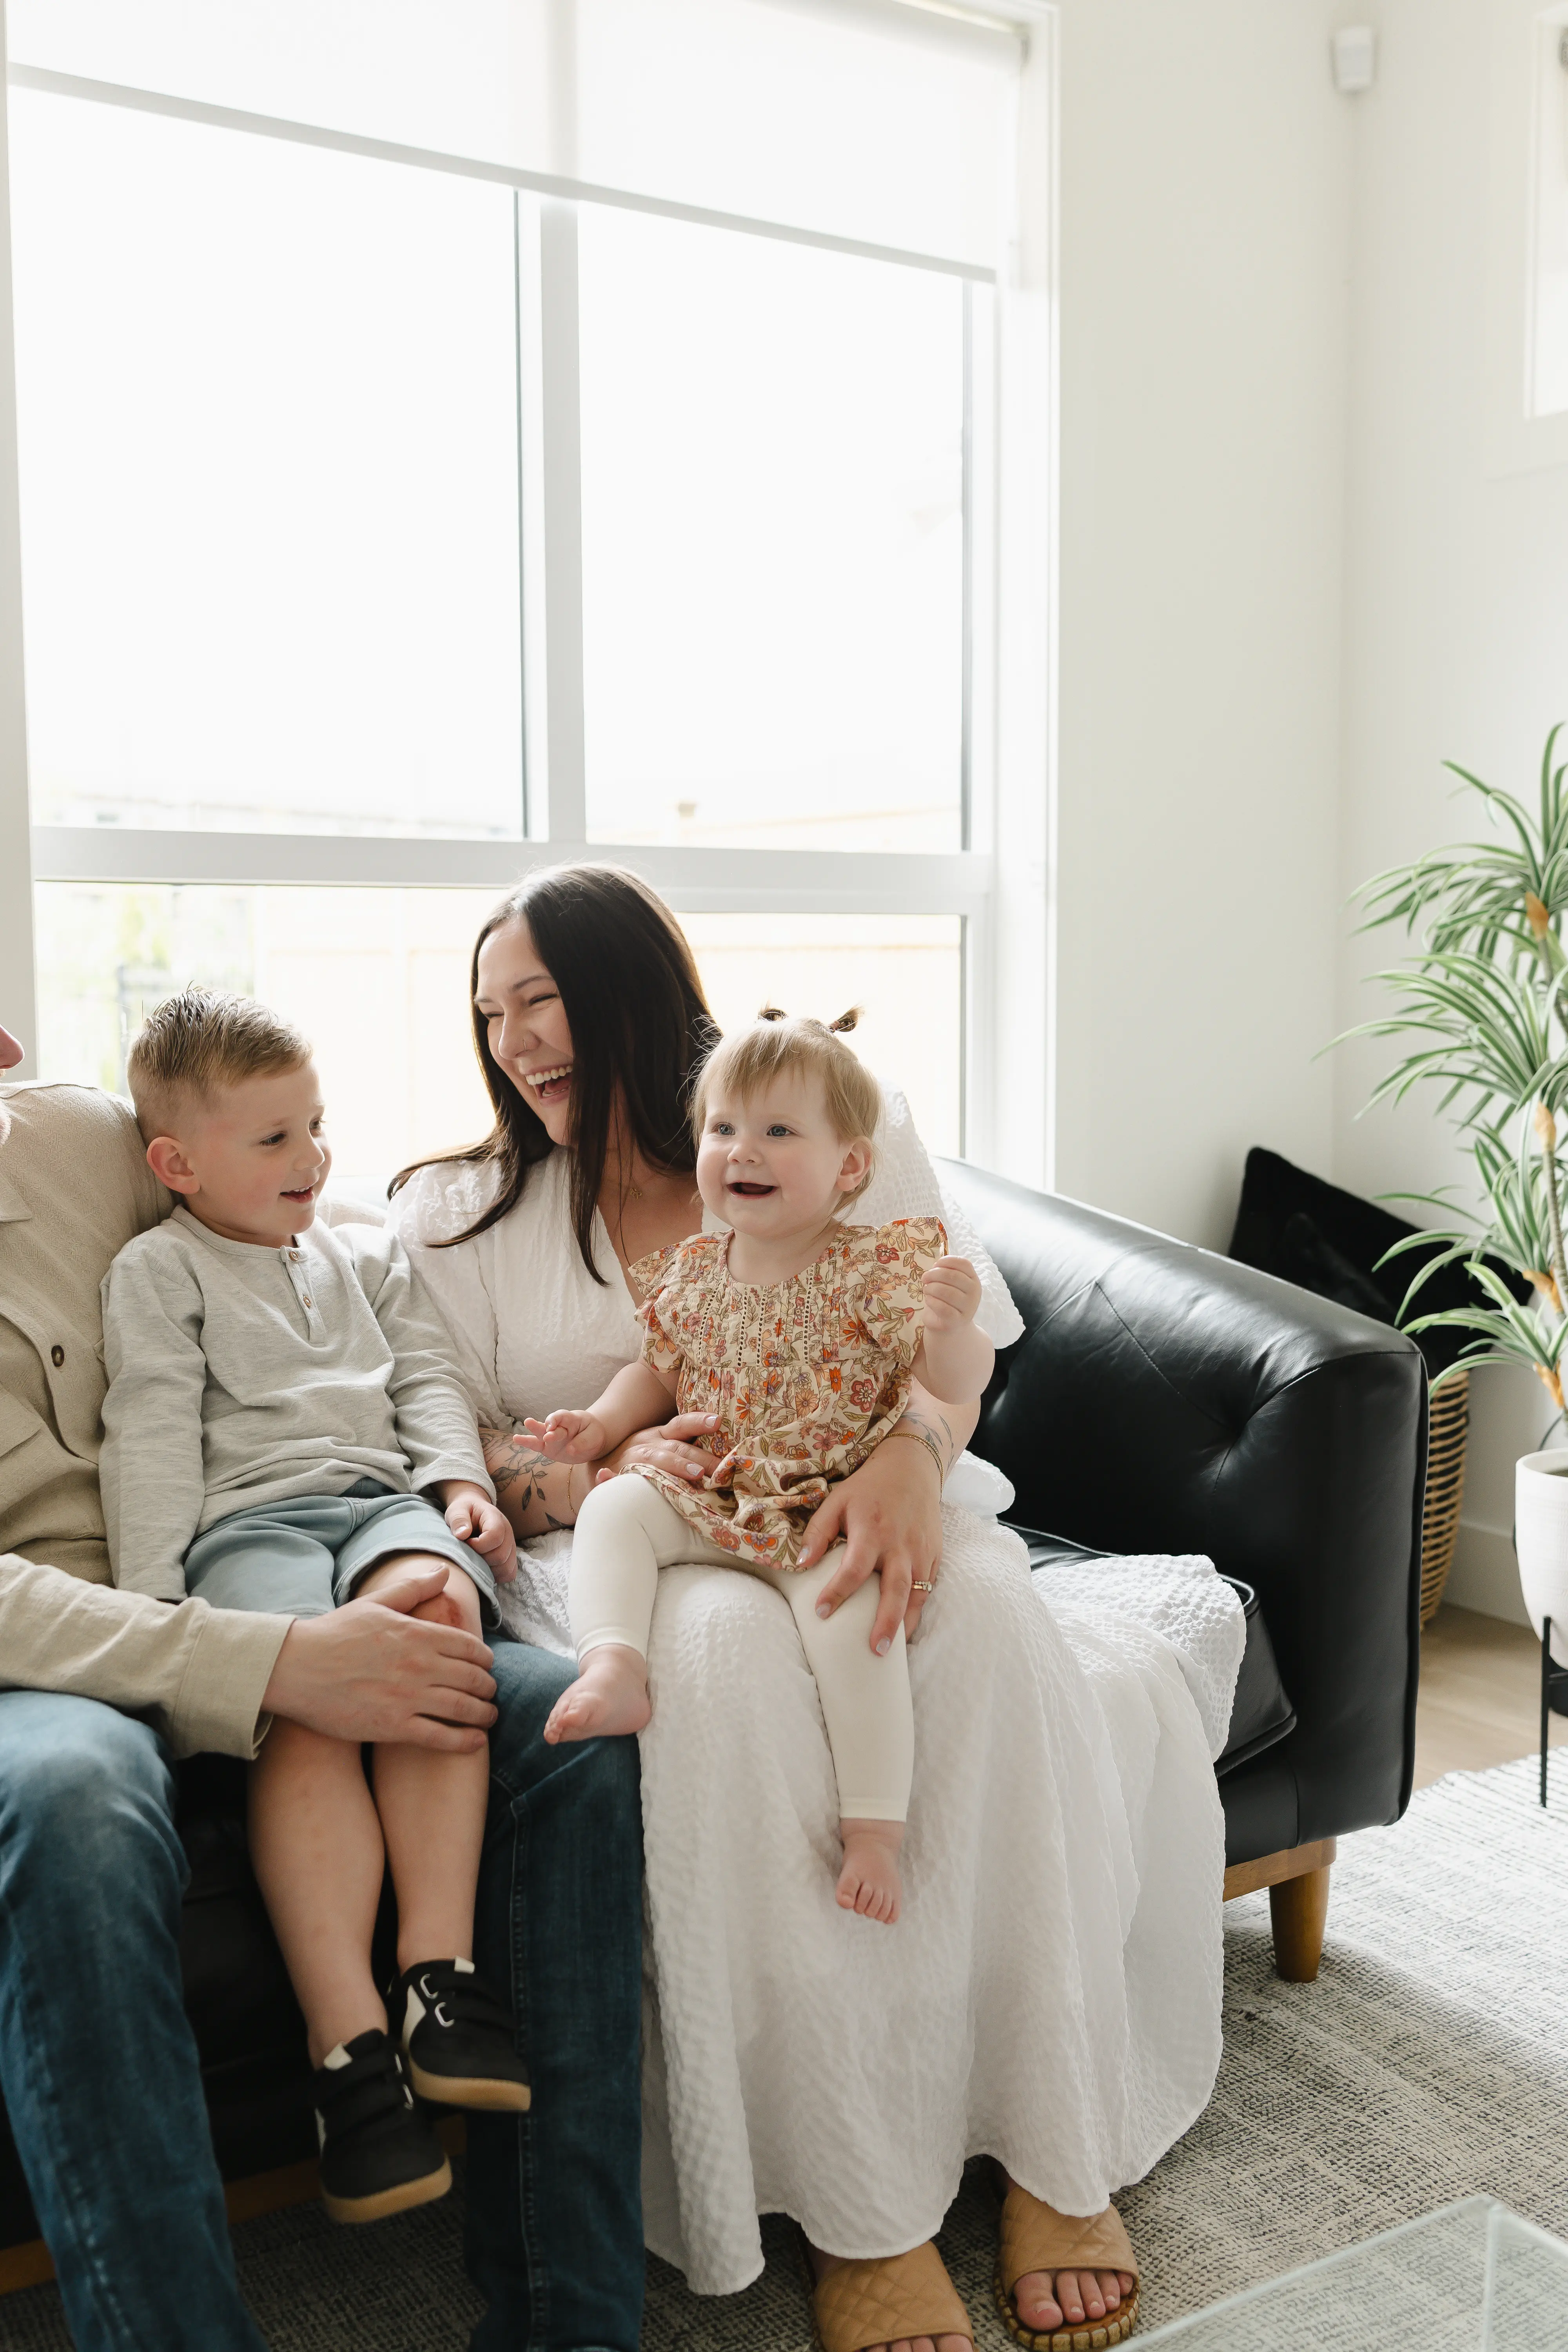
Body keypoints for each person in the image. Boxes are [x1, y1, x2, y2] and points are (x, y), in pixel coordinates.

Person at [390, 866, 1236, 2352]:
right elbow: (461, 1460)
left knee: (967, 1618)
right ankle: (866, 2198)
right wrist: (589, 1475)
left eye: (542, 999)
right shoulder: (455, 1215)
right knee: (718, 1678)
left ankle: (1052, 2136)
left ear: (634, 988)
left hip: (858, 1476)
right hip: (633, 1546)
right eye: (489, 1016)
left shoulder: (825, 1107)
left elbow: (959, 1351)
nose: (517, 1042)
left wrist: (914, 1457)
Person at [0, 1016, 645, 2352]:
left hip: (316, 1546)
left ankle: (568, 2325)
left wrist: (460, 1474)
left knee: (570, 1729)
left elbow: (283, 1240)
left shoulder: (70, 1136)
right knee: (78, 1796)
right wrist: (255, 1656)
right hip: (70, 1642)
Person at [101, 988, 531, 2224]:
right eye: (275, 1138)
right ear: (177, 1164)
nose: (314, 1158)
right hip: (248, 1529)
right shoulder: (161, 1269)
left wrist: (457, 1484)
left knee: (437, 1624)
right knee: (314, 1700)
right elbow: (149, 1441)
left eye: (317, 1125)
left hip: (377, 1504)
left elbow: (430, 1381)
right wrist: (161, 1627)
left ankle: (437, 1983)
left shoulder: (364, 1251)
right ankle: (351, 2062)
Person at [528, 1009, 995, 1927]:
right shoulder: (693, 1273)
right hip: (715, 1484)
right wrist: (602, 1424)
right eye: (724, 1128)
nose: (743, 1150)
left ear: (849, 1168)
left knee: (857, 1622)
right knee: (615, 1511)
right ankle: (612, 1663)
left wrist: (953, 1333)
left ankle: (874, 1831)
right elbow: (654, 1371)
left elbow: (951, 1383)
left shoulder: (871, 1270)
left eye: (779, 1131)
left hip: (825, 1503)